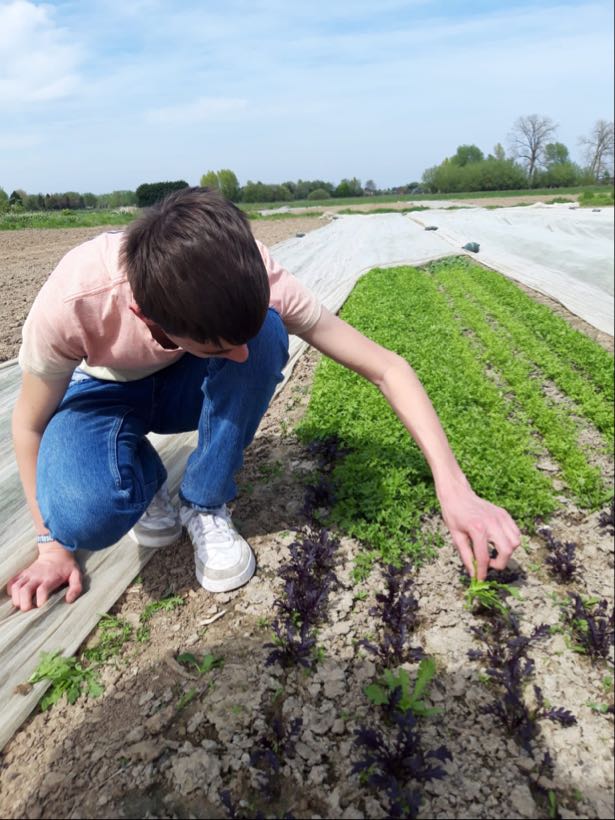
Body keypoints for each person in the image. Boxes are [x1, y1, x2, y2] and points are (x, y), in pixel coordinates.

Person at [8, 187, 520, 612]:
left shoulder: (251, 270)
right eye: (221, 346)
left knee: (271, 335)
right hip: (103, 394)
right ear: (148, 318)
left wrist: (455, 486)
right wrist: (51, 547)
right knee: (80, 518)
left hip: (184, 381)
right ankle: (137, 475)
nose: (242, 356)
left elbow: (386, 366)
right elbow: (29, 424)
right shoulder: (76, 299)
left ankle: (203, 500)